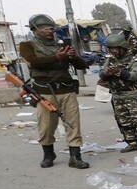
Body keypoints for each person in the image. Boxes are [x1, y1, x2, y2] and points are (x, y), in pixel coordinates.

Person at [18, 14, 90, 169]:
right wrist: (57, 57)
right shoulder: (27, 45)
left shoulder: (61, 45)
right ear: (35, 30)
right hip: (45, 92)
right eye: (45, 28)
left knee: (73, 124)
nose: (50, 31)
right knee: (46, 126)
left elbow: (81, 66)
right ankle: (48, 154)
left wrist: (73, 56)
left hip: (66, 89)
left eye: (51, 28)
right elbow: (34, 62)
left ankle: (75, 156)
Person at [99, 34, 137, 154]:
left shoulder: (134, 60)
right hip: (117, 96)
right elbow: (102, 74)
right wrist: (106, 73)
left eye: (116, 48)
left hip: (132, 95)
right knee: (124, 121)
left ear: (122, 47)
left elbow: (135, 76)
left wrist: (119, 72)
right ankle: (132, 143)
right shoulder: (110, 60)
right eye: (111, 48)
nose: (113, 51)